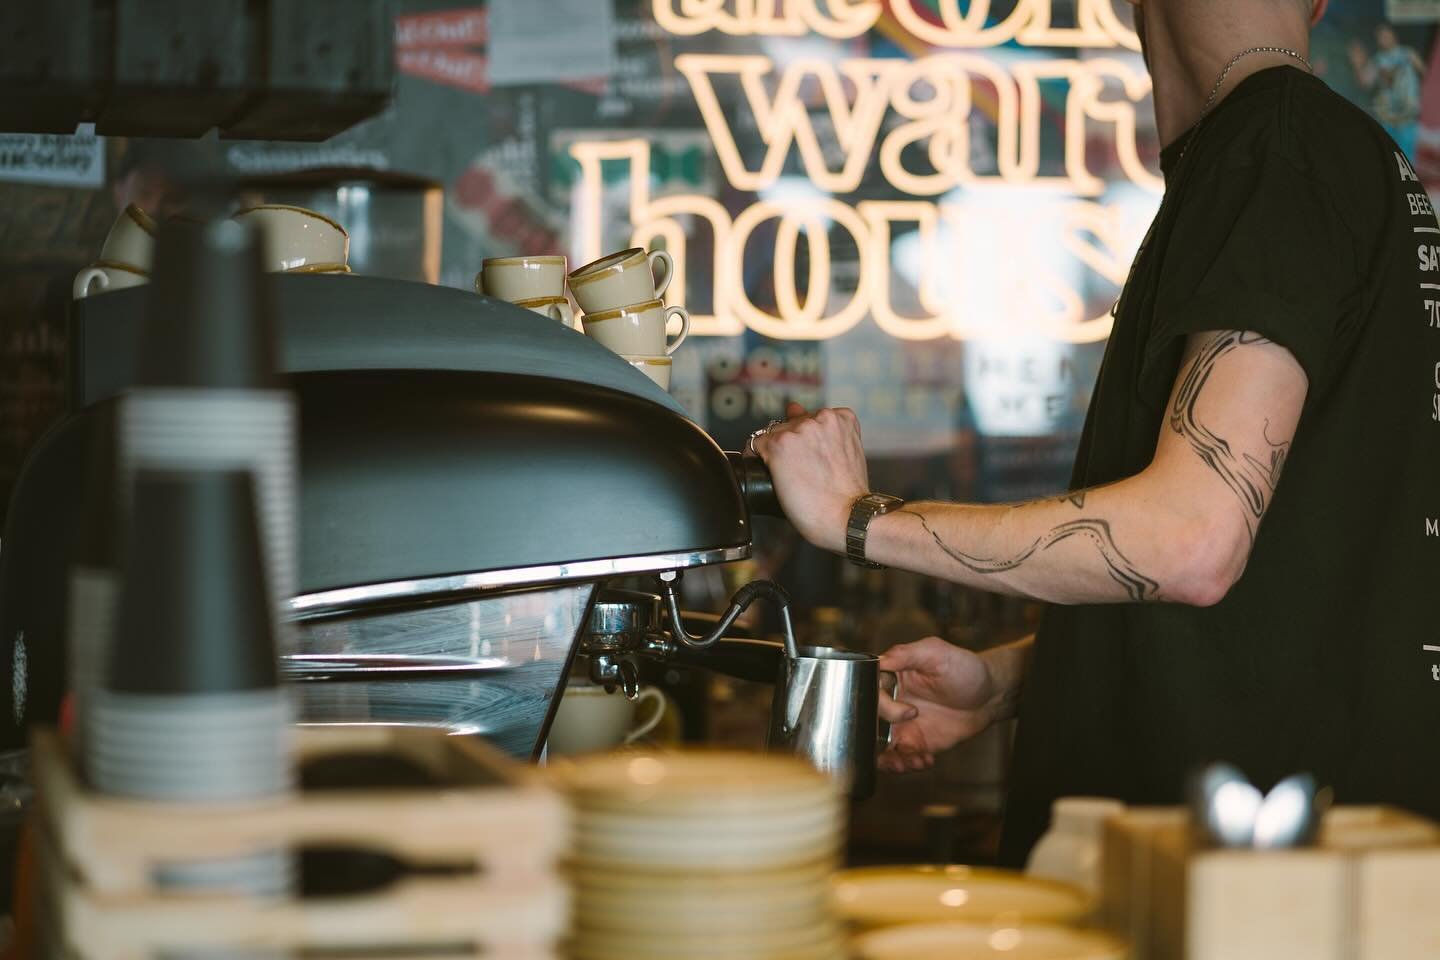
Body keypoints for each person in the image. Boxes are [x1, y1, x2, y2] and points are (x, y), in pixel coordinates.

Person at [753, 0, 1440, 865]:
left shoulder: (1279, 143)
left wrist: (858, 518)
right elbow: (1292, 590)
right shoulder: (1314, 152)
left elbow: (1190, 541)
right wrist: (1008, 683)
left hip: (1235, 895)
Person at [1349, 23, 1426, 160]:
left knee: (1409, 161)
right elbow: (1364, 82)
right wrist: (1358, 64)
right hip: (1387, 118)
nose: (1384, 39)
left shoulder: (1408, 53)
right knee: (1390, 159)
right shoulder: (1377, 60)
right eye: (1380, 37)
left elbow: (1424, 73)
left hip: (1407, 117)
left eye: (1386, 35)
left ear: (1393, 36)